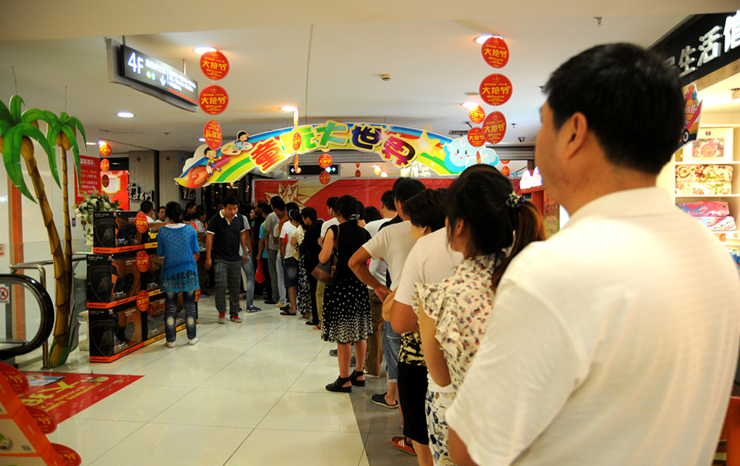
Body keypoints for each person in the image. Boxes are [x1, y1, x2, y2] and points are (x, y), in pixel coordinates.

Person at [446, 43, 740, 466]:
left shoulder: (553, 271)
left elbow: (471, 450)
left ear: (573, 132)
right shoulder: (712, 255)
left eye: (544, 123)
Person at [409, 171, 544, 466]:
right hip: (535, 435)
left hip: (471, 438)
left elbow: (441, 377)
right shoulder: (538, 284)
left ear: (458, 225)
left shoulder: (439, 298)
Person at [349, 178, 426, 456]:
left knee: (403, 374)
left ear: (398, 203)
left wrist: (379, 288)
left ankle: (411, 436)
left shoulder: (390, 231)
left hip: (400, 307)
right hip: (437, 309)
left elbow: (354, 262)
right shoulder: (440, 229)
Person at [320, 195, 372, 392]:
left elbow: (323, 258)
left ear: (339, 212)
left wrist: (324, 245)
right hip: (359, 285)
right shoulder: (364, 233)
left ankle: (344, 379)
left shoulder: (335, 230)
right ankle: (359, 373)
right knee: (360, 333)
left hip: (340, 287)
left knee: (344, 336)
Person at [157, 202, 200, 347]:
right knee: (190, 306)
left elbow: (160, 252)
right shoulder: (190, 229)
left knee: (170, 308)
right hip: (189, 272)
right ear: (181, 213)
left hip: (170, 273)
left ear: (167, 215)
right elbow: (195, 250)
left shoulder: (163, 231)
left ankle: (170, 341)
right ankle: (192, 338)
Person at [205, 196, 249, 324]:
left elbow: (242, 234)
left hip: (235, 257)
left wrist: (244, 252)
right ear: (224, 207)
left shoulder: (239, 218)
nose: (233, 212)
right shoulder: (215, 219)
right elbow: (209, 237)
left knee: (235, 286)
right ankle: (221, 311)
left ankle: (234, 313)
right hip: (220, 257)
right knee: (221, 285)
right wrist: (208, 257)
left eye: (235, 208)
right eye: (230, 209)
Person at [363, 204, 389, 379]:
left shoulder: (372, 226)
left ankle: (373, 367)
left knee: (374, 328)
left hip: (375, 285)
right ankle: (392, 372)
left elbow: (358, 256)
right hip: (396, 286)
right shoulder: (408, 225)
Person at [301, 207, 323, 327]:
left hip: (312, 263)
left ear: (308, 219)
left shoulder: (311, 230)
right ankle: (320, 316)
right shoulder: (322, 226)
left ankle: (316, 317)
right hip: (322, 263)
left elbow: (303, 247)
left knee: (315, 292)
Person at [264, 196, 287, 307]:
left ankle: (276, 297)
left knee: (274, 274)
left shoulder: (271, 216)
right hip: (286, 248)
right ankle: (286, 296)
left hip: (274, 248)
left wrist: (266, 247)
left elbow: (267, 234)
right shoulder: (287, 215)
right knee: (284, 274)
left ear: (273, 207)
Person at [279, 209, 300, 315]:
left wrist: (283, 256)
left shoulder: (286, 225)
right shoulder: (304, 226)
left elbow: (282, 242)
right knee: (301, 283)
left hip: (289, 256)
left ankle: (293, 307)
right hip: (301, 258)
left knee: (291, 283)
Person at [238, 207, 259, 313]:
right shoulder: (242, 218)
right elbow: (246, 236)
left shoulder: (224, 219)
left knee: (234, 280)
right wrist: (250, 250)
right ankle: (249, 304)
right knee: (250, 278)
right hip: (243, 252)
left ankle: (235, 306)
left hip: (232, 254)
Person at [256, 204, 273, 302]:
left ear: (264, 213)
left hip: (265, 254)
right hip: (274, 252)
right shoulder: (276, 222)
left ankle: (270, 294)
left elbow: (261, 241)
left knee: (267, 275)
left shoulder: (264, 224)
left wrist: (259, 254)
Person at [192, 206, 209, 298]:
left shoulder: (201, 223)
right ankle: (200, 290)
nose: (205, 216)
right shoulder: (197, 223)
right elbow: (201, 236)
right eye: (204, 215)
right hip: (200, 250)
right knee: (201, 271)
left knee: (202, 271)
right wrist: (209, 244)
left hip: (202, 249)